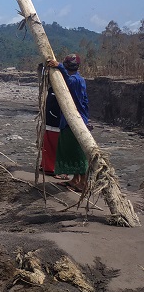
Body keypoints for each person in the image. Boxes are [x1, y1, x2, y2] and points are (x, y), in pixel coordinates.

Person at [46, 53, 89, 192]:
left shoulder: (76, 80)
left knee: (77, 152)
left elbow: (70, 83)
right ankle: (75, 179)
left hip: (76, 120)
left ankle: (83, 182)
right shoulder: (76, 79)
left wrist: (59, 67)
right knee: (69, 150)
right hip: (69, 118)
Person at [39, 86, 64, 178]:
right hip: (55, 123)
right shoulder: (58, 91)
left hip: (50, 121)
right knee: (55, 146)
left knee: (48, 144)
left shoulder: (51, 90)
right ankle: (51, 168)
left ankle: (46, 165)